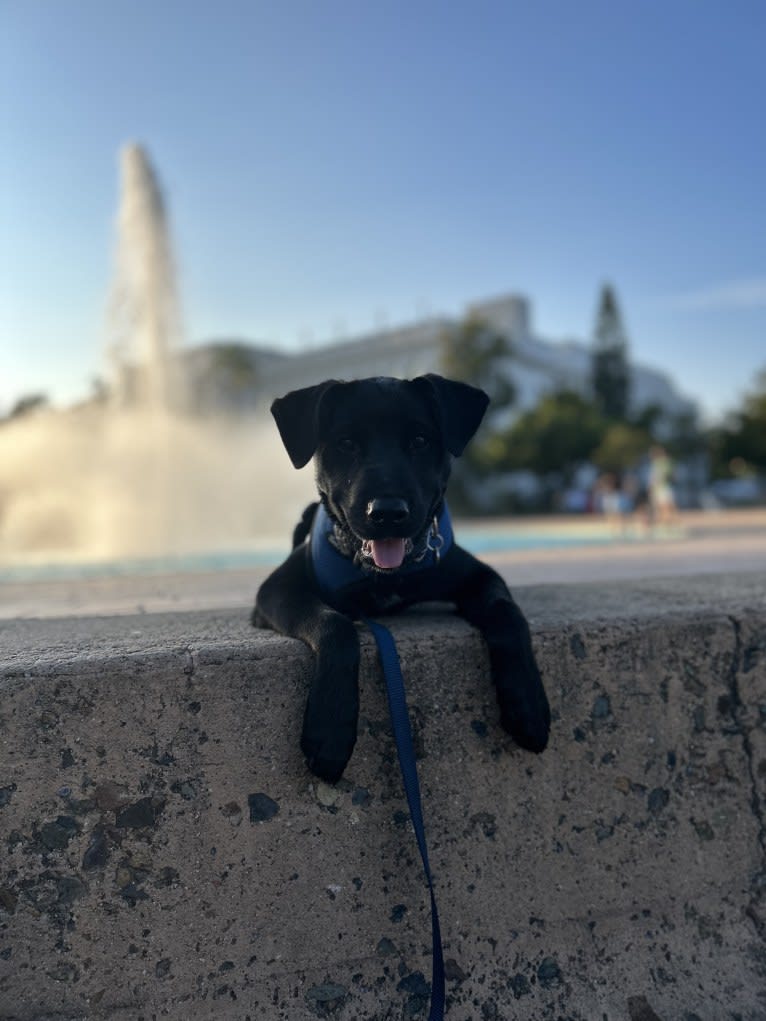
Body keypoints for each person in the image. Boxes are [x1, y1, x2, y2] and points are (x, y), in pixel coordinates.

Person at [647, 445, 677, 528]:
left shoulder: (665, 462)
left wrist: (653, 485)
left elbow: (665, 475)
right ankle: (664, 524)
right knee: (661, 507)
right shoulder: (657, 463)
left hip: (663, 487)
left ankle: (668, 524)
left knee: (666, 506)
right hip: (659, 488)